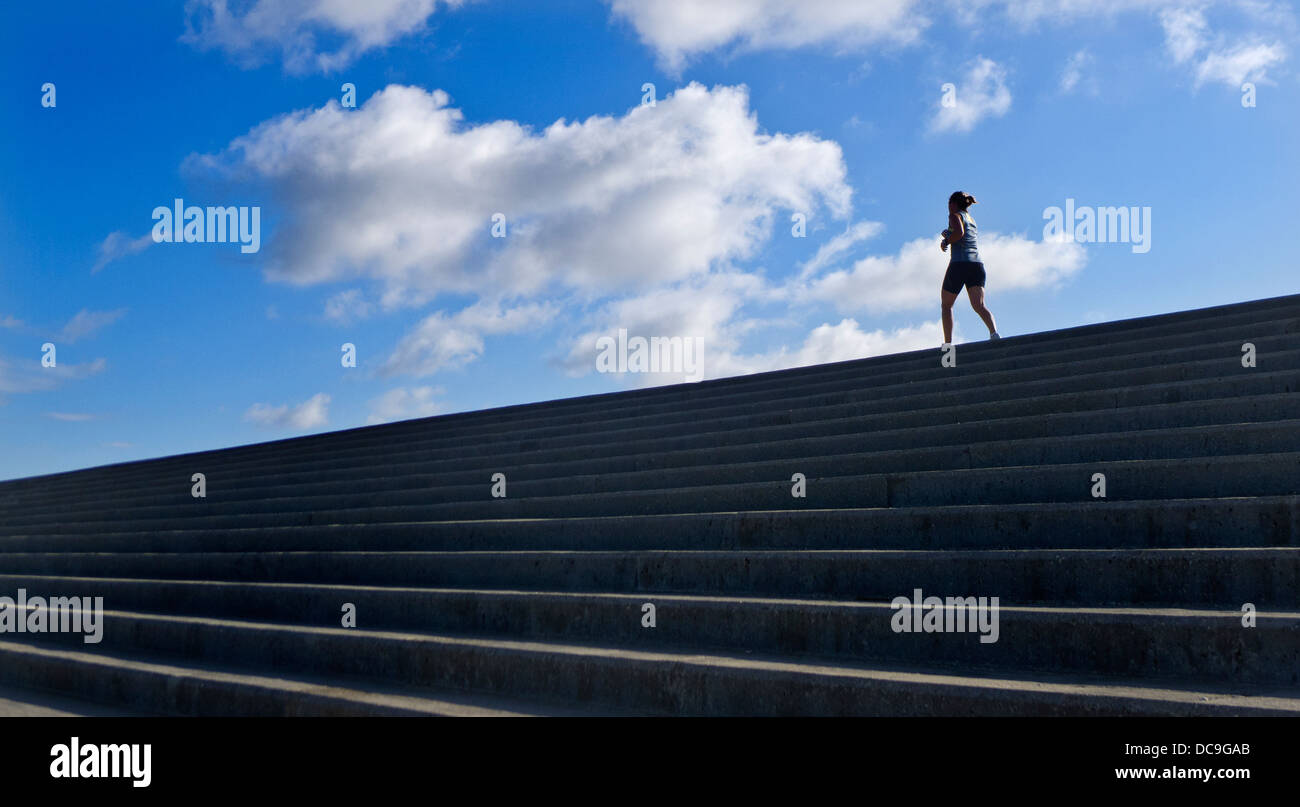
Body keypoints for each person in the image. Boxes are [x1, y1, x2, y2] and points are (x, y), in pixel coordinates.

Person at [940, 191, 1000, 344]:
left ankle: (948, 344)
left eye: (948, 203)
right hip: (976, 265)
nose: (948, 207)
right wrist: (948, 235)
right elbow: (962, 234)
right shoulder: (971, 219)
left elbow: (959, 233)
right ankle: (994, 334)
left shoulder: (954, 215)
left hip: (959, 264)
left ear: (953, 204)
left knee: (946, 305)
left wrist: (947, 241)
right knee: (979, 305)